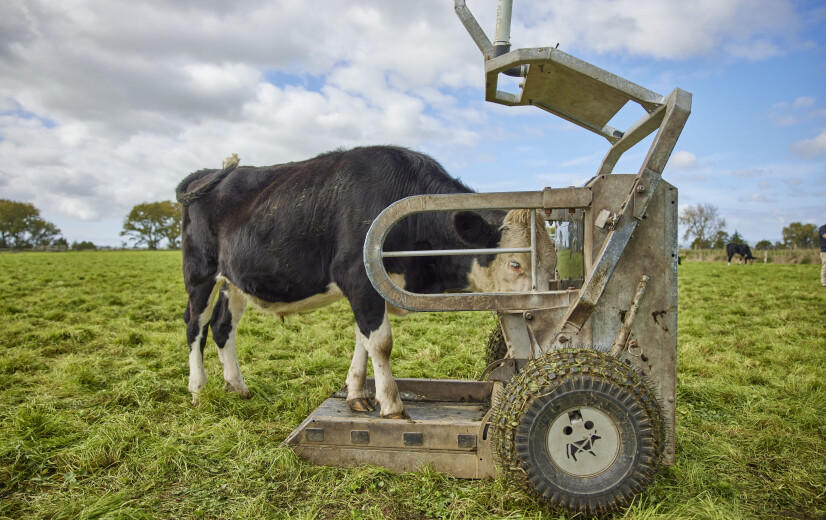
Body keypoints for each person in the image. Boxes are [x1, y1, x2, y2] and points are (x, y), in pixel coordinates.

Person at [820, 222, 826, 287]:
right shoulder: (823, 228)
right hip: (825, 251)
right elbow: (825, 236)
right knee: (825, 267)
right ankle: (824, 283)